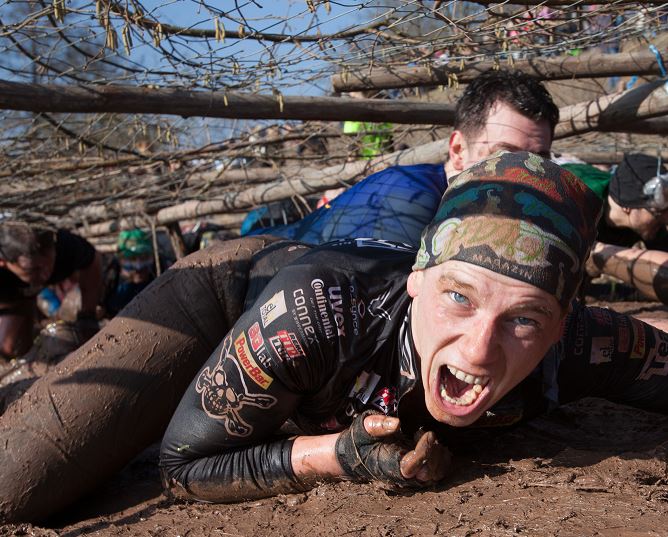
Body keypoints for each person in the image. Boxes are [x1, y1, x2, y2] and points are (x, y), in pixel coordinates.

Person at [158, 152, 668, 503]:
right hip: (225, 285)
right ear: (417, 280)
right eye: (458, 297)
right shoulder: (314, 317)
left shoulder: (586, 343)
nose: (479, 349)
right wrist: (340, 457)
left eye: (524, 319)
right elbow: (183, 468)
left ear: (561, 325)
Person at [251, 69, 557, 247]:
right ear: (458, 151)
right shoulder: (410, 204)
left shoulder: (484, 206)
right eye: (503, 156)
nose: (525, 175)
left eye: (539, 161)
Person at [563, 155, 668, 304]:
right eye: (658, 212)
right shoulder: (581, 204)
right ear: (627, 206)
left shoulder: (650, 225)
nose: (665, 219)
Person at [0, 223, 103, 359]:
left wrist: (87, 314)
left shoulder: (64, 245)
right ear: (3, 262)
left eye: (48, 263)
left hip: (31, 288)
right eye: (33, 269)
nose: (44, 274)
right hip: (10, 295)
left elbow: (92, 260)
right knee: (9, 347)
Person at [103, 229, 157, 317]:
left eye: (144, 258)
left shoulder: (160, 270)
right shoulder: (110, 277)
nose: (139, 266)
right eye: (131, 259)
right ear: (120, 260)